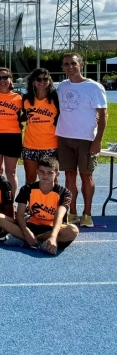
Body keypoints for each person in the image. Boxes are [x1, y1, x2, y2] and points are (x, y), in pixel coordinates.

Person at [56, 52, 108, 227]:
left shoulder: (94, 87)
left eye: (73, 63)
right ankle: (72, 213)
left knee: (86, 176)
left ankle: (87, 214)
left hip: (86, 139)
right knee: (69, 176)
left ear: (81, 65)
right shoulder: (62, 86)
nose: (70, 67)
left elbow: (103, 115)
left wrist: (98, 140)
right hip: (64, 137)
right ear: (62, 67)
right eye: (66, 64)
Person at [0, 158, 79, 255]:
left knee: (73, 230)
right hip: (32, 225)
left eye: (50, 173)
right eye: (42, 172)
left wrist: (53, 236)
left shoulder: (65, 193)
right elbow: (20, 215)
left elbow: (59, 216)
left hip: (52, 228)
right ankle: (38, 243)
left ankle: (28, 241)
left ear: (57, 174)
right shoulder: (27, 189)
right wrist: (26, 231)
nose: (45, 176)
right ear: (37, 172)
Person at [21, 68, 59, 191]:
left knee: (51, 179)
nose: (42, 82)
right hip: (30, 145)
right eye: (38, 79)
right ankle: (30, 201)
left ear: (49, 81)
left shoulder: (55, 98)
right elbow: (23, 115)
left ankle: (53, 201)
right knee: (30, 178)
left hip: (50, 145)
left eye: (45, 79)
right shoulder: (26, 98)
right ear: (33, 81)